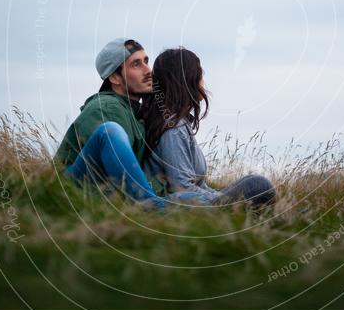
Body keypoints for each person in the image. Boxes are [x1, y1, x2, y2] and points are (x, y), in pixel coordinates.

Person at [141, 47, 276, 209]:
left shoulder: (176, 122)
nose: (203, 81)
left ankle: (274, 216)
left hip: (194, 200)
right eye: (199, 74)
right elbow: (181, 187)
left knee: (253, 181)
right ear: (186, 81)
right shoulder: (174, 128)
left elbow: (199, 185)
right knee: (258, 184)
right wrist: (220, 200)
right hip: (180, 204)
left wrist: (220, 196)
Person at [54, 37, 168, 209]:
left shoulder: (131, 111)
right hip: (66, 191)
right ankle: (153, 207)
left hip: (105, 191)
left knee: (189, 197)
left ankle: (216, 203)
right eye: (136, 64)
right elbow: (107, 175)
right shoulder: (107, 108)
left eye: (146, 61)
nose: (148, 71)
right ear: (115, 77)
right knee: (110, 131)